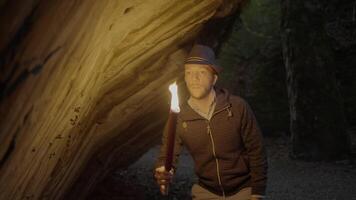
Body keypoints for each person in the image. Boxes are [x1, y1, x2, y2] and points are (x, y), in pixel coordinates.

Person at [154, 44, 268, 200]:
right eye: (189, 73)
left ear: (214, 78)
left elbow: (257, 151)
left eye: (202, 72)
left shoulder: (237, 107)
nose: (195, 78)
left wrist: (257, 192)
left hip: (243, 191)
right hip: (205, 192)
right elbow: (167, 154)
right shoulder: (179, 116)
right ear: (185, 78)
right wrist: (164, 171)